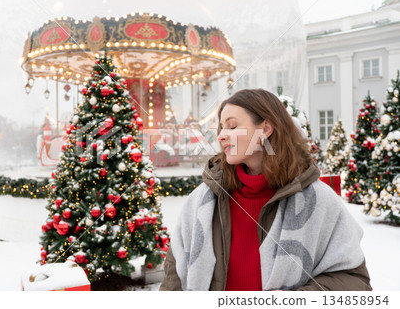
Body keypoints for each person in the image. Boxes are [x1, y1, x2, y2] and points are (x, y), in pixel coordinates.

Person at [159, 89, 372, 291]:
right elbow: (173, 280)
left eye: (232, 127)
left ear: (265, 129)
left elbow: (355, 281)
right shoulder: (202, 201)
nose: (222, 135)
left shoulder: (318, 200)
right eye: (221, 128)